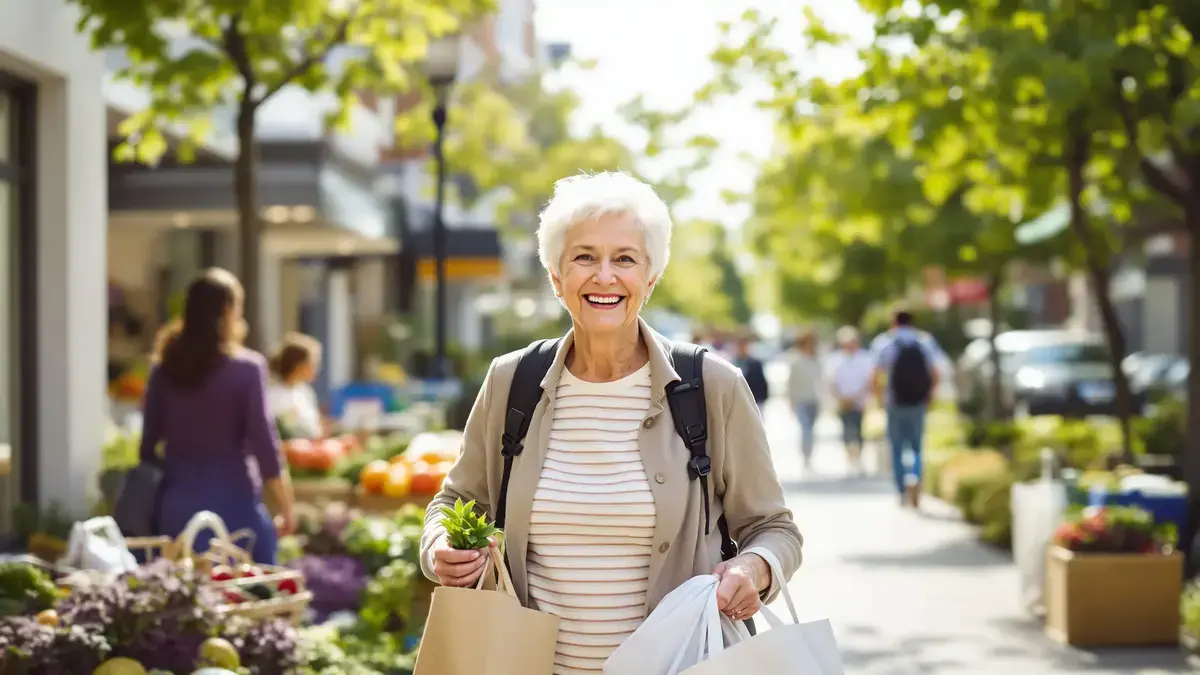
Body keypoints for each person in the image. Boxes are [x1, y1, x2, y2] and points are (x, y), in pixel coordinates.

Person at [419, 172, 802, 674]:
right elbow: (452, 502)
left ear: (651, 277)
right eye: (584, 257)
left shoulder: (711, 385)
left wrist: (755, 568)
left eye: (625, 259)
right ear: (557, 277)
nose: (604, 276)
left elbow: (774, 528)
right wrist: (440, 548)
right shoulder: (512, 381)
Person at [139, 268, 295, 564]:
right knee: (254, 596)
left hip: (177, 511)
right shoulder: (247, 370)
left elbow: (147, 447)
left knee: (184, 603)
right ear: (228, 311)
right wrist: (286, 505)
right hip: (236, 509)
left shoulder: (164, 371)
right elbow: (264, 444)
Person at [870, 308, 947, 508]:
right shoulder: (924, 341)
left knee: (896, 446)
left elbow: (876, 375)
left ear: (894, 322)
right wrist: (930, 395)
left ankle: (901, 489)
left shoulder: (884, 342)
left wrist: (879, 400)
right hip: (918, 401)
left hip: (894, 402)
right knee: (916, 445)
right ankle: (915, 477)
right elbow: (936, 372)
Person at [824, 326, 875, 476]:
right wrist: (840, 398)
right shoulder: (835, 360)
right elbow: (830, 382)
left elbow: (869, 381)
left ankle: (858, 458)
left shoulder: (865, 358)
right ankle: (849, 459)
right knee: (846, 430)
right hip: (842, 402)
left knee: (859, 430)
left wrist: (857, 397)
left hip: (860, 402)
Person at [267, 332, 324, 440]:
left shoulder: (306, 391)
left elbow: (315, 429)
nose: (317, 368)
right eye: (313, 363)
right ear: (298, 365)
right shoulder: (272, 394)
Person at [783, 330, 822, 473]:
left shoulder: (817, 360)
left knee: (812, 429)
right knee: (806, 430)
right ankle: (806, 457)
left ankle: (809, 455)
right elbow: (791, 383)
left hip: (814, 400)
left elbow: (822, 381)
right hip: (801, 400)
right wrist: (791, 401)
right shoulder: (796, 361)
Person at [733, 334, 770, 410]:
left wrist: (761, 399)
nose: (741, 347)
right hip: (738, 401)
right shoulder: (732, 363)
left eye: (743, 345)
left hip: (754, 400)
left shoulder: (755, 363)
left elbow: (761, 382)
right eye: (739, 345)